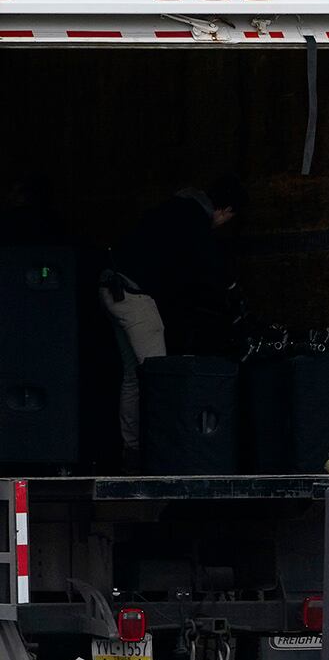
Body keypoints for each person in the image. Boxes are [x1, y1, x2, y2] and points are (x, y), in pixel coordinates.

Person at [100, 178, 247, 462]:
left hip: (112, 287)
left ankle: (132, 448)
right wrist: (230, 291)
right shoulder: (194, 220)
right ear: (225, 210)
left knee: (134, 375)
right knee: (159, 377)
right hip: (133, 295)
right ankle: (161, 452)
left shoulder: (175, 208)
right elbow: (208, 265)